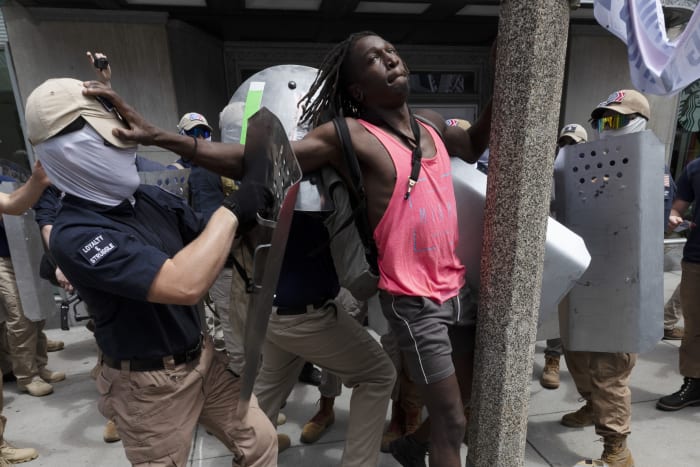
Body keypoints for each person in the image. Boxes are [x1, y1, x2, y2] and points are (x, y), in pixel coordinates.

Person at [83, 31, 492, 467]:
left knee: (462, 400)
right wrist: (158, 136)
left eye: (391, 50)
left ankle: (396, 446)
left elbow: (470, 145)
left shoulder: (431, 122)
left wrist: (506, 77)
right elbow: (254, 160)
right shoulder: (348, 136)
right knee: (448, 418)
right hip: (413, 298)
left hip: (456, 287)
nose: (390, 59)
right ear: (356, 89)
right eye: (374, 58)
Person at [24, 77, 277, 466]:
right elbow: (185, 282)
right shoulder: (74, 235)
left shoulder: (147, 198)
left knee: (260, 441)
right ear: (70, 156)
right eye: (112, 143)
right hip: (149, 386)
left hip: (203, 360)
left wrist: (259, 206)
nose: (124, 150)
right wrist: (232, 210)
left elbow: (208, 244)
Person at [252, 206, 395, 466]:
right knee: (379, 374)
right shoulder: (319, 190)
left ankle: (255, 453)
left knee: (269, 387)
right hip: (306, 314)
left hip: (270, 306)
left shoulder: (275, 182)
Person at [563, 89, 651, 467]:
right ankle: (590, 406)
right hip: (586, 280)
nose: (603, 129)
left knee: (609, 370)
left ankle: (617, 448)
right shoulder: (590, 163)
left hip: (621, 288)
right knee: (578, 353)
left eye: (613, 121)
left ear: (638, 123)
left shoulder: (648, 167)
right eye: (600, 121)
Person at [0, 160, 50, 464]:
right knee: (19, 316)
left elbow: (12, 204)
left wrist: (39, 179)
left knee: (29, 313)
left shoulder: (6, 180)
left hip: (13, 255)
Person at [539, 123, 588, 391]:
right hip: (555, 249)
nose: (568, 150)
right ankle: (547, 359)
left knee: (570, 310)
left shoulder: (595, 174)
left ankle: (559, 360)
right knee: (552, 306)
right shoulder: (549, 173)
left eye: (575, 145)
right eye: (564, 144)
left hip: (581, 251)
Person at [656, 156, 700, 411]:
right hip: (696, 257)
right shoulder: (694, 168)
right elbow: (678, 207)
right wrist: (673, 216)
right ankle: (694, 383)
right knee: (694, 327)